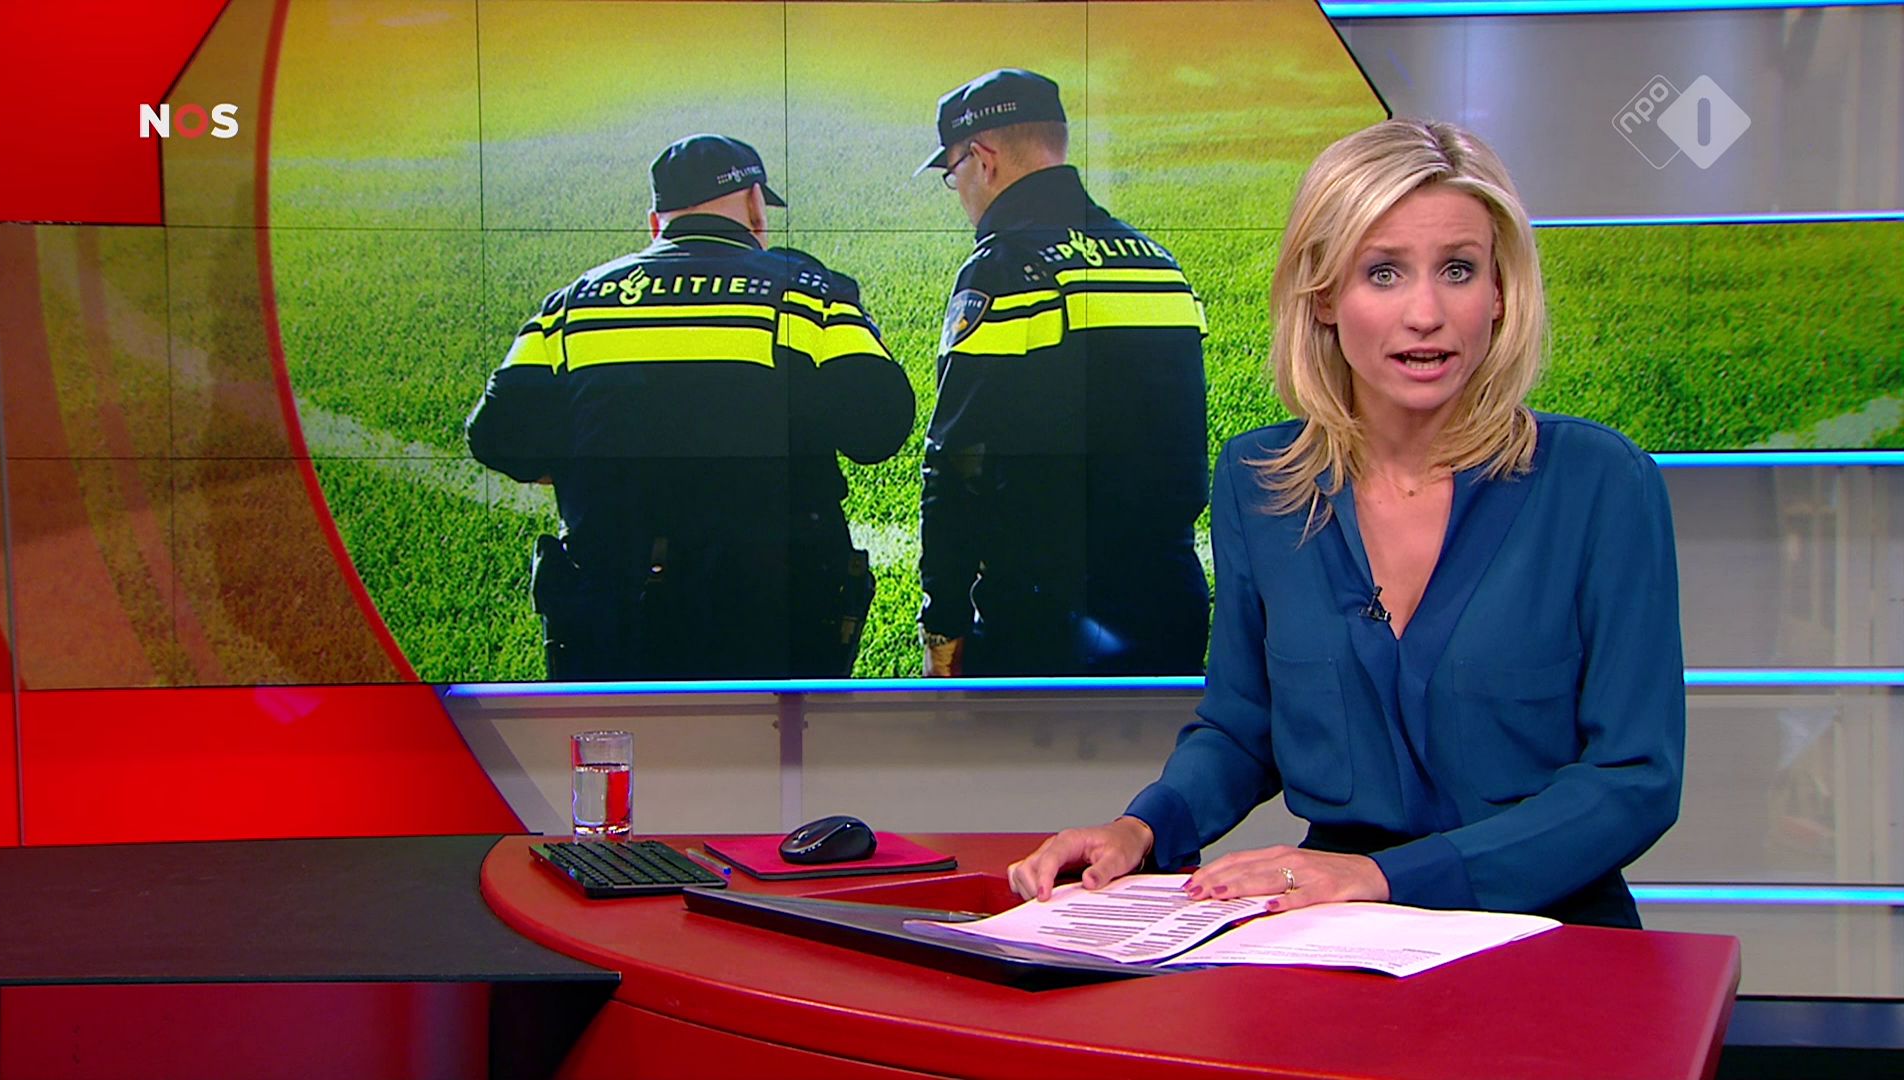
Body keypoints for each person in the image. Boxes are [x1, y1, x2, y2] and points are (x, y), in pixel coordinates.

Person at [1008, 119, 1685, 928]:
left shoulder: (1600, 482)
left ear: (1502, 292)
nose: (1426, 313)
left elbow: (1634, 778)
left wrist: (1386, 877)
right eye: (1384, 272)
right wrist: (1141, 828)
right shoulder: (1260, 482)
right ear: (1324, 294)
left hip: (1546, 928)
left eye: (1459, 270)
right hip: (1336, 932)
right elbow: (1243, 727)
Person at [467, 134, 915, 680]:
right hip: (777, 615)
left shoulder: (573, 302)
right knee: (778, 738)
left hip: (616, 616)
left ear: (656, 223)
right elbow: (881, 427)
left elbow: (495, 437)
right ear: (755, 205)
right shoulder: (808, 291)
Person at [914, 69, 1210, 678]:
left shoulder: (1004, 267)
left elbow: (958, 462)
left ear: (984, 159)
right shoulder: (1157, 262)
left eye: (953, 172)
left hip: (1048, 614)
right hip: (1170, 594)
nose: (958, 190)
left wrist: (943, 619)